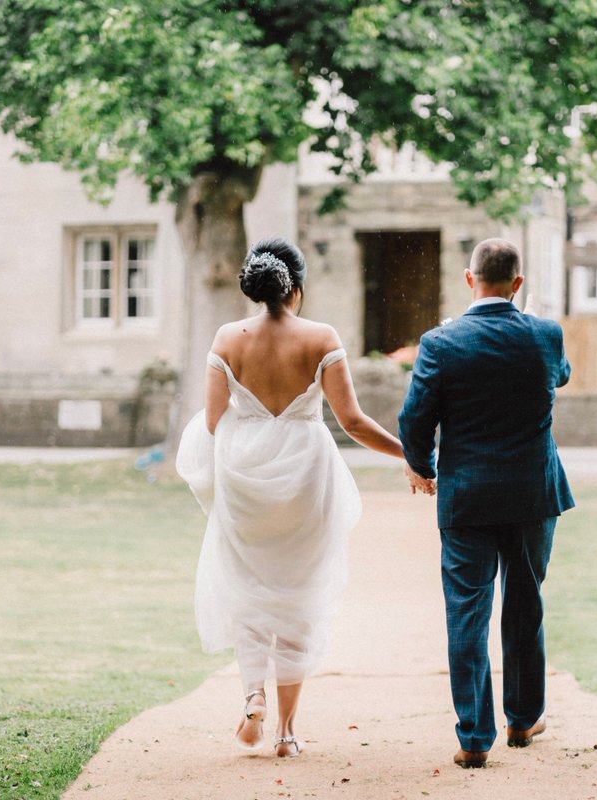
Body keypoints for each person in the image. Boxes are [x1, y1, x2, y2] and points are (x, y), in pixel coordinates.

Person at [175, 237, 429, 758]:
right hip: (306, 478)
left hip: (245, 477)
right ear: (298, 287)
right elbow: (353, 422)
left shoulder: (227, 338)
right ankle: (288, 733)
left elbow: (215, 422)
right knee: (299, 596)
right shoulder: (321, 337)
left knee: (248, 588)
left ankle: (252, 698)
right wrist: (411, 454)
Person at [398, 238, 574, 769]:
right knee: (525, 605)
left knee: (467, 613)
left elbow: (414, 419)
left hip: (468, 497)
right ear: (517, 284)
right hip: (531, 494)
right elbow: (560, 375)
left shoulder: (441, 342)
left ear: (469, 278)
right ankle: (523, 718)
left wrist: (423, 467)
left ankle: (475, 737)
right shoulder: (545, 334)